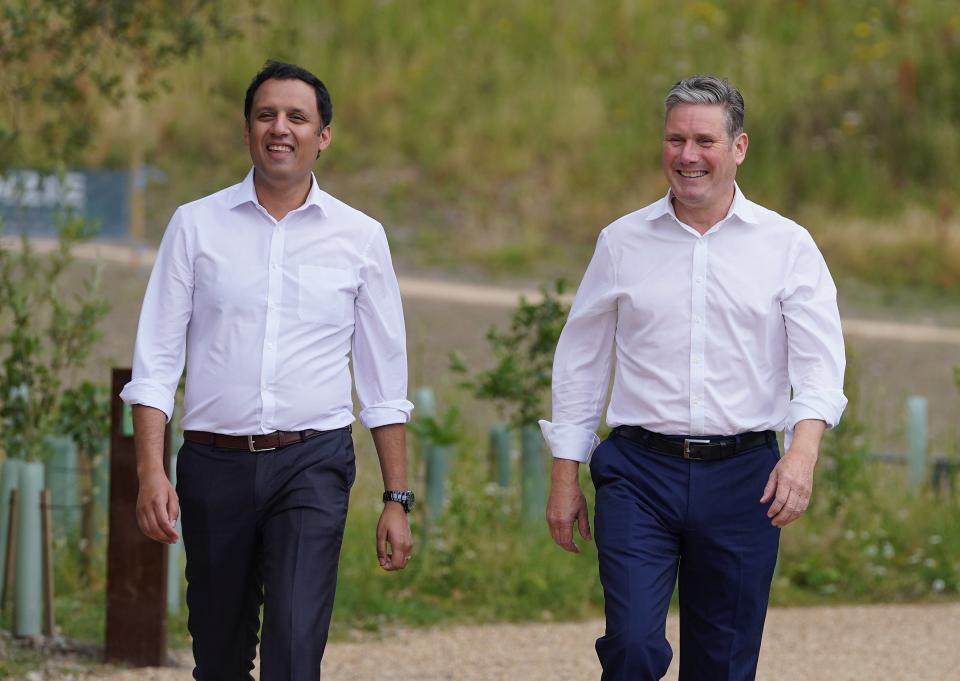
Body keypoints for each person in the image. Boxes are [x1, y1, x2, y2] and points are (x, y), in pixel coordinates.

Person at [540, 75, 847, 681]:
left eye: (704, 140)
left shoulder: (788, 246)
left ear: (739, 147)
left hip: (743, 479)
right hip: (638, 473)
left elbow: (819, 363)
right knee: (631, 648)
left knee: (724, 663)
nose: (687, 156)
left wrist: (802, 454)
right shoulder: (622, 241)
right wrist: (564, 473)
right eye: (675, 139)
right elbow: (581, 359)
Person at [120, 60, 416, 681]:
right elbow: (155, 364)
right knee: (220, 659)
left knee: (292, 649)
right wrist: (150, 471)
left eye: (297, 117)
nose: (280, 128)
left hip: (312, 464)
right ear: (248, 128)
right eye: (266, 115)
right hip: (212, 465)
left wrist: (396, 499)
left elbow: (385, 383)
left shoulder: (360, 238)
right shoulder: (194, 226)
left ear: (323, 135)